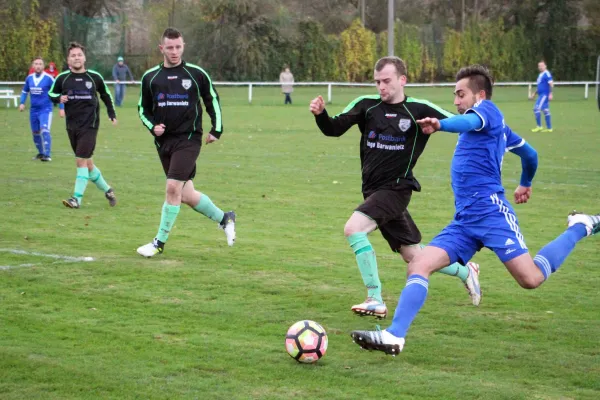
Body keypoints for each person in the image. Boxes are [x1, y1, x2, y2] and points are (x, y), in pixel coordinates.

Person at [351, 64, 599, 355]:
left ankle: (580, 225)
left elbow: (467, 123)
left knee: (530, 279)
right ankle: (395, 336)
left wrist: (442, 125)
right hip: (465, 220)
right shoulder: (494, 128)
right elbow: (529, 154)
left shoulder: (488, 112)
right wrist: (525, 182)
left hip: (492, 214)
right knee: (418, 264)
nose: (456, 102)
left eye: (461, 94)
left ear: (479, 95)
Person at [309, 56, 482, 320]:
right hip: (373, 192)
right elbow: (334, 128)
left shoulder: (419, 108)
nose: (381, 86)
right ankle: (466, 271)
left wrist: (481, 117)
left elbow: (457, 122)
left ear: (402, 80)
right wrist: (321, 115)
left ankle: (374, 298)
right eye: (377, 81)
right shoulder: (366, 106)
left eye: (387, 81)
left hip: (398, 189)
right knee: (414, 256)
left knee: (353, 229)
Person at [137, 27, 236, 257]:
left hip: (189, 139)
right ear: (161, 48)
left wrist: (216, 129)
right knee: (186, 195)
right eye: (169, 47)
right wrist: (153, 126)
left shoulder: (195, 73)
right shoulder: (150, 77)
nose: (174, 51)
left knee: (172, 188)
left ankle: (158, 243)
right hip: (164, 143)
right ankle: (225, 218)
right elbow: (142, 108)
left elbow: (212, 99)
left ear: (184, 46)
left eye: (178, 47)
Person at [49, 42, 118, 209]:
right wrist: (59, 99)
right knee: (88, 164)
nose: (77, 58)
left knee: (80, 161)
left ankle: (76, 199)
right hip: (72, 126)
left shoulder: (94, 77)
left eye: (79, 55)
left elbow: (106, 94)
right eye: (73, 55)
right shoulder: (62, 78)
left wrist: (111, 113)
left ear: (84, 57)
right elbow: (51, 93)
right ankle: (108, 190)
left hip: (90, 126)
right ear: (68, 59)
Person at [19, 57, 65, 161]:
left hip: (46, 109)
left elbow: (58, 92)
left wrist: (61, 108)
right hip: (33, 110)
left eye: (40, 64)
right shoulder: (29, 78)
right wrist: (22, 103)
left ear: (43, 66)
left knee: (44, 130)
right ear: (33, 66)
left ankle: (47, 155)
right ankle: (40, 153)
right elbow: (24, 91)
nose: (38, 66)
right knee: (35, 132)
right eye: (36, 64)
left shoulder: (49, 78)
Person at [529, 60, 553, 132]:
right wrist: (534, 93)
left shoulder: (547, 74)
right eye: (539, 66)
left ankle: (539, 126)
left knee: (536, 109)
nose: (540, 67)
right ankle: (549, 128)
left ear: (545, 66)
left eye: (542, 66)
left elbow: (551, 84)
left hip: (544, 95)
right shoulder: (540, 75)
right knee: (546, 110)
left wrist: (550, 94)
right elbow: (540, 86)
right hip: (541, 94)